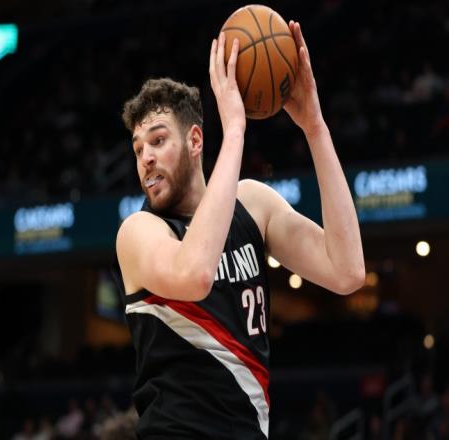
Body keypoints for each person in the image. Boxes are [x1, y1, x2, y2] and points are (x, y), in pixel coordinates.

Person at [113, 21, 365, 440]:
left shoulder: (252, 204)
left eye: (157, 141)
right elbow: (195, 274)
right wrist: (235, 131)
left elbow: (348, 271)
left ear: (195, 141)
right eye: (138, 149)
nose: (146, 158)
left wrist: (315, 128)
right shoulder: (139, 232)